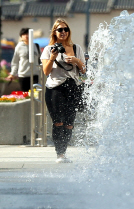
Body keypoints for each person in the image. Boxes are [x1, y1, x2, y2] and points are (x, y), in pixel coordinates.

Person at [41, 19, 86, 163]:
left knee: (69, 123)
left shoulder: (77, 48)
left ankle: (64, 153)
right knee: (58, 122)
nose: (63, 32)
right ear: (54, 32)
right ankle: (59, 154)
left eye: (65, 29)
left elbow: (84, 75)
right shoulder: (48, 49)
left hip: (72, 88)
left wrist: (78, 62)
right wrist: (53, 57)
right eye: (60, 30)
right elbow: (46, 71)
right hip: (55, 88)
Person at [6, 28, 41, 92]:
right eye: (24, 34)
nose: (26, 36)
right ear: (21, 37)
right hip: (24, 75)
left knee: (36, 94)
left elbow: (40, 60)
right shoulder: (19, 47)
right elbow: (15, 61)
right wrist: (12, 74)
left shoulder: (36, 46)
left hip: (35, 75)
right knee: (26, 95)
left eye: (28, 34)